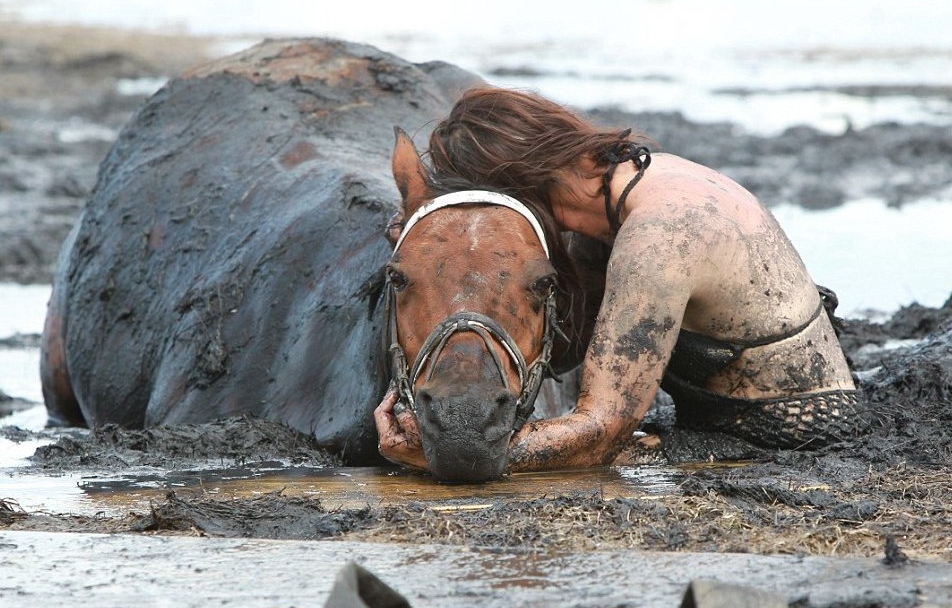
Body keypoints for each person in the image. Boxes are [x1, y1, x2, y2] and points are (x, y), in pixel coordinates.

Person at [375, 86, 866, 472]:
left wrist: (450, 449)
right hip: (732, 418)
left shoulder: (660, 236)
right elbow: (567, 351)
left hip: (783, 439)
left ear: (517, 182)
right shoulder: (630, 191)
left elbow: (603, 432)